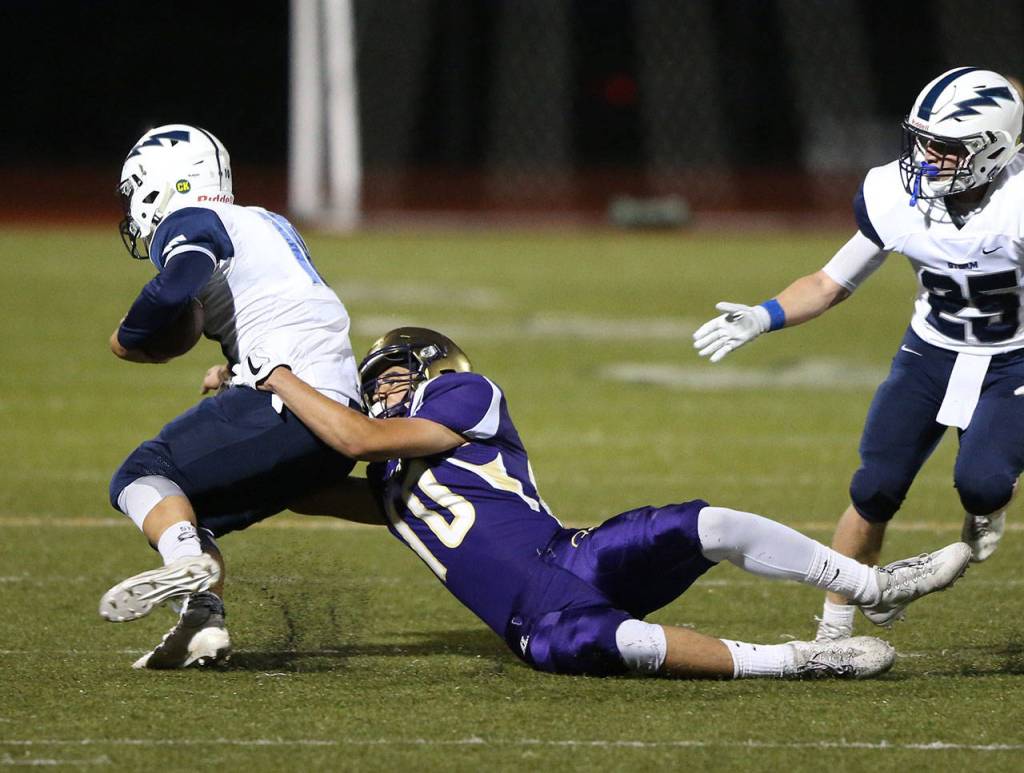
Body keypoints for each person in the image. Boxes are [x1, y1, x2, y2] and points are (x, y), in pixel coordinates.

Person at [231, 327, 970, 679]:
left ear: (432, 368)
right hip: (534, 621)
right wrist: (243, 413)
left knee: (701, 522)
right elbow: (301, 489)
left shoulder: (463, 394)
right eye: (375, 384)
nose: (383, 389)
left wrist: (278, 375)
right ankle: (803, 660)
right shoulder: (390, 484)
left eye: (395, 375)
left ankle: (873, 584)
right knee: (616, 644)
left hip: (572, 556)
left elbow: (357, 437)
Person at [691, 67, 1024, 641]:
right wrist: (763, 315)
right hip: (932, 351)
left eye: (945, 147)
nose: (926, 158)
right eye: (922, 141)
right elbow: (829, 283)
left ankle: (988, 504)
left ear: (993, 149)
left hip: (1014, 357)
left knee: (983, 483)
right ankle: (835, 633)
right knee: (874, 488)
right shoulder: (895, 193)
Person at [98, 124, 362, 669]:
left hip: (288, 401)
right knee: (184, 517)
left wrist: (127, 337)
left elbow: (176, 284)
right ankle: (202, 623)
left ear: (162, 182)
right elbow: (288, 312)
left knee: (142, 476)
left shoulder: (193, 219)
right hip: (333, 413)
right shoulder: (269, 222)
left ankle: (187, 571)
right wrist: (232, 367)